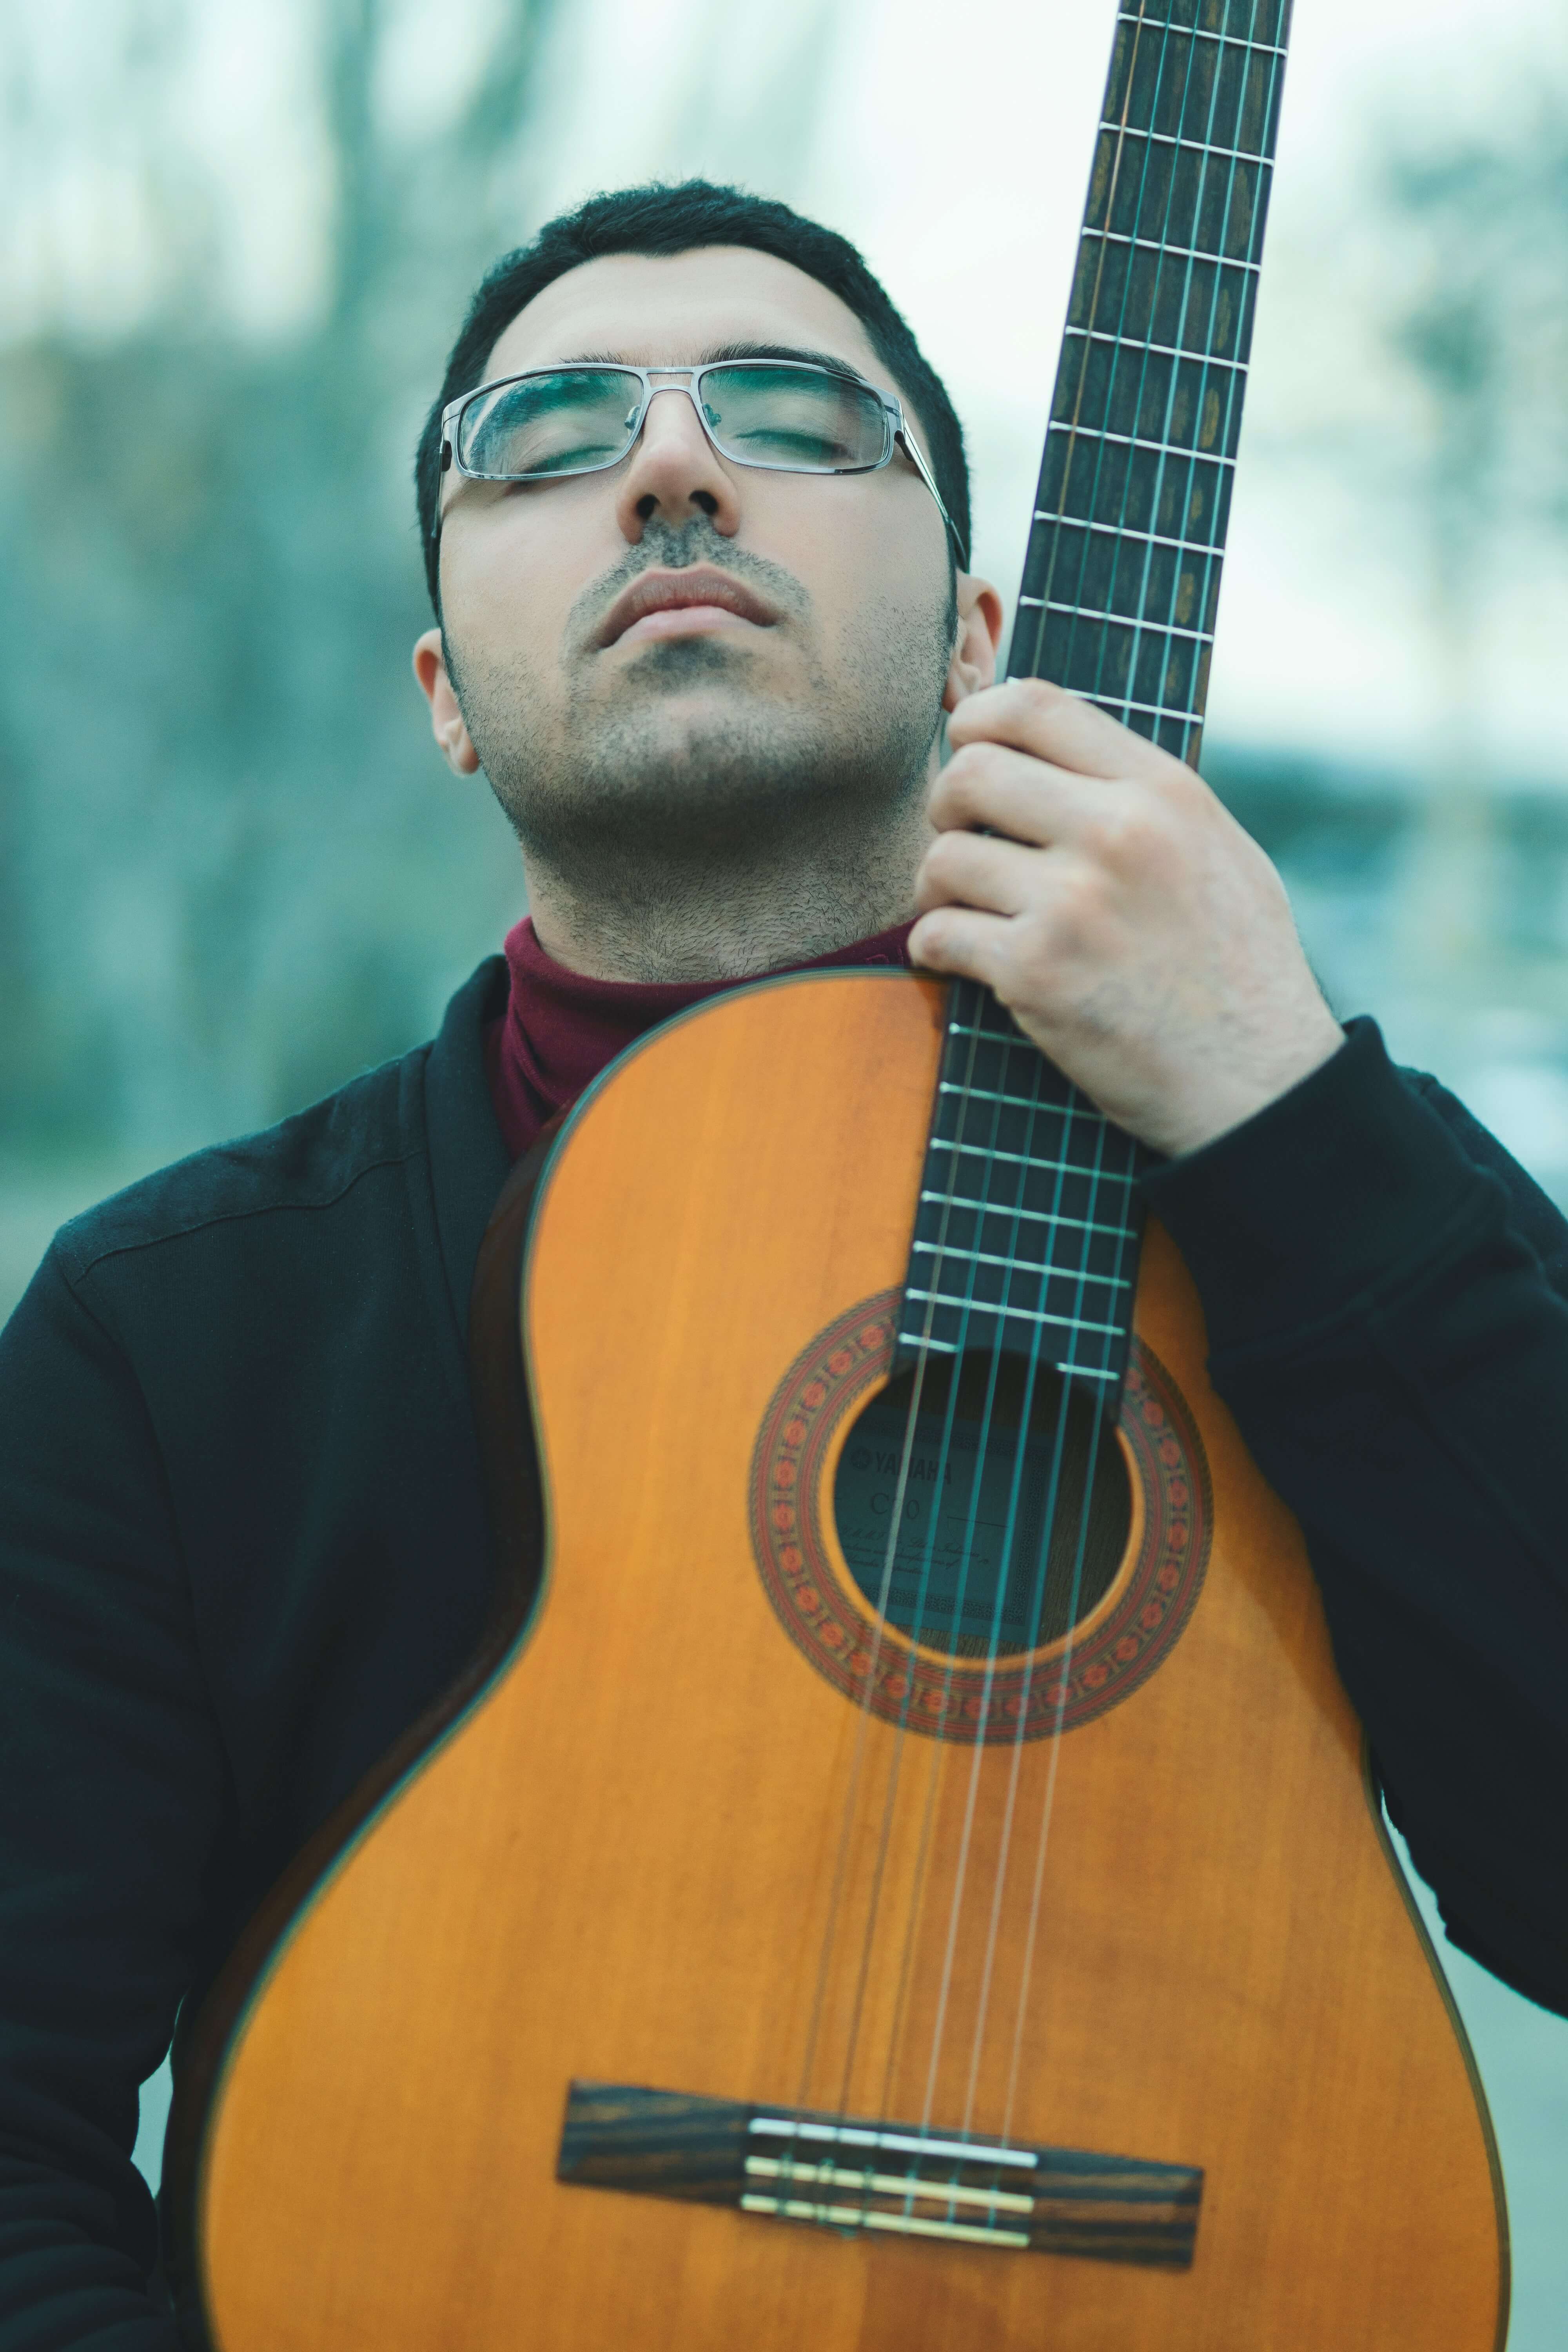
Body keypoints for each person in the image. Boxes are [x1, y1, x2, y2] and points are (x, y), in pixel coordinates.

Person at [1, 180, 1564, 2351]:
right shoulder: (173, 1331)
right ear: (450, 697)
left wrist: (1286, 1109)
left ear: (975, 643)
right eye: (544, 436)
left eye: (793, 410)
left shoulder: (1315, 1190)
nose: (670, 462)